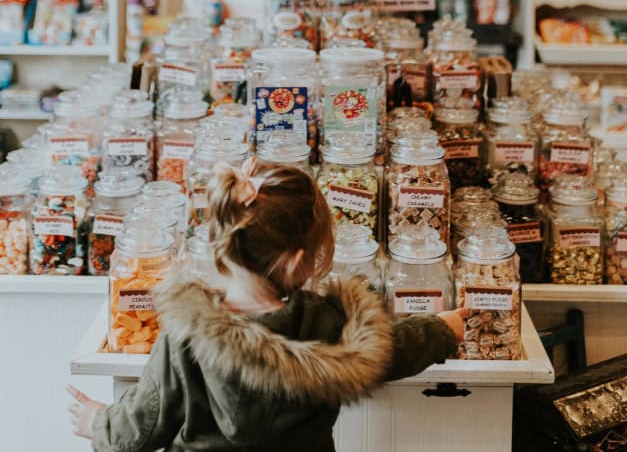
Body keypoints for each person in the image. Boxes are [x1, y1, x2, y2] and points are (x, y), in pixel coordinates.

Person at [69, 159, 466, 452]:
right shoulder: (323, 323)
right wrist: (443, 328)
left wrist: (98, 423)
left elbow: (145, 421)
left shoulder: (186, 331)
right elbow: (391, 349)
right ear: (295, 261)